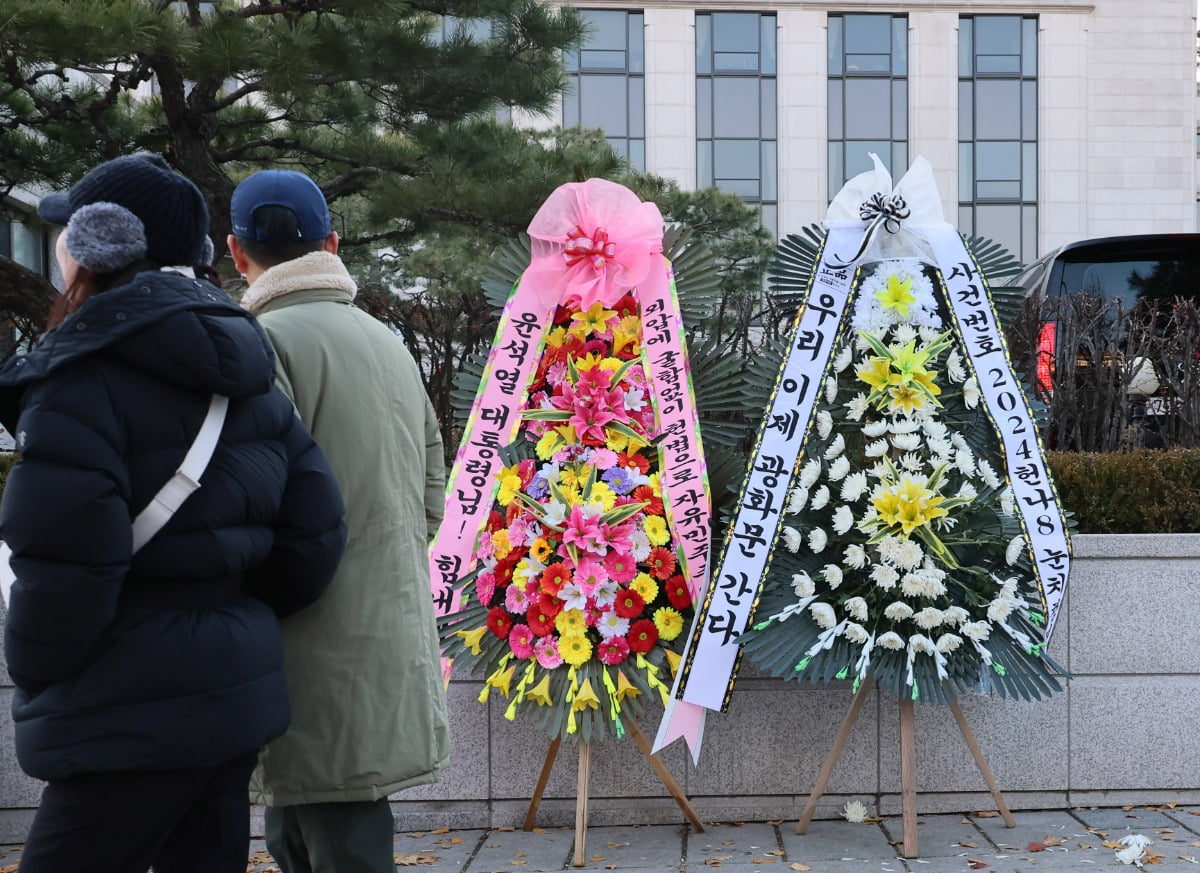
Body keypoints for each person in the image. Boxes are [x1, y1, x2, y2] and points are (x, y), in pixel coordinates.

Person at [0, 154, 348, 873]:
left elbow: (61, 567)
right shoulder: (245, 371)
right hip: (230, 697)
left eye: (65, 232)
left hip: (121, 705)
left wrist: (40, 673)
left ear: (98, 244)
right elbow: (314, 534)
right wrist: (226, 612)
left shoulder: (79, 378)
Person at [226, 169, 450, 873]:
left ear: (236, 253)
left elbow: (255, 506)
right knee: (330, 821)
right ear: (333, 241)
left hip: (303, 643)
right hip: (388, 632)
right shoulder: (387, 343)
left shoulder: (259, 345)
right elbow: (432, 499)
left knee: (326, 833)